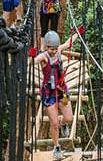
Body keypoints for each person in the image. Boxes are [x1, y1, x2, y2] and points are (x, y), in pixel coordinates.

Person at [29, 30, 82, 161]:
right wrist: (32, 57)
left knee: (69, 118)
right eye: (51, 49)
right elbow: (33, 62)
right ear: (46, 47)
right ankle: (57, 146)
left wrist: (77, 33)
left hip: (61, 90)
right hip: (49, 93)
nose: (53, 51)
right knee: (53, 124)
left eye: (55, 49)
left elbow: (68, 43)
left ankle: (63, 123)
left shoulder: (58, 51)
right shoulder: (44, 57)